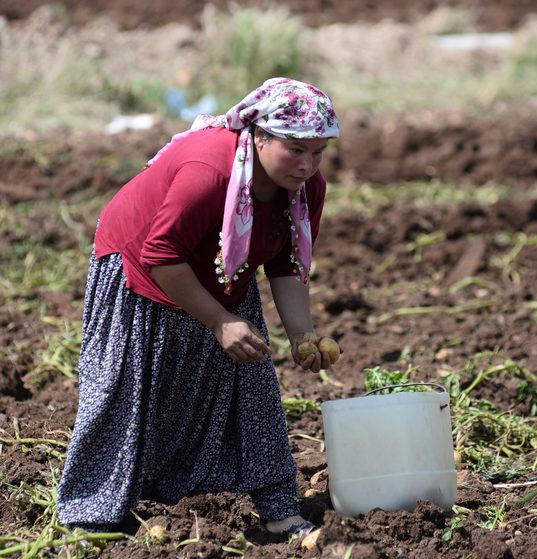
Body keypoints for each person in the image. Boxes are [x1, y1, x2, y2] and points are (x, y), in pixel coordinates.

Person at [57, 77, 340, 539]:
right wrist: (220, 320)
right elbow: (161, 254)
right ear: (260, 135)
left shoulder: (305, 186)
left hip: (226, 266)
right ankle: (92, 517)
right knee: (127, 392)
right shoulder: (209, 172)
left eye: (318, 152)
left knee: (252, 386)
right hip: (142, 268)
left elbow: (286, 262)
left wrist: (301, 334)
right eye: (296, 149)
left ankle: (278, 509)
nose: (308, 165)